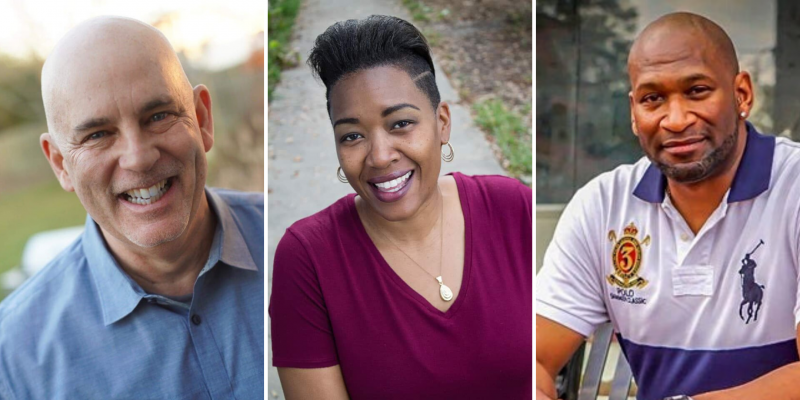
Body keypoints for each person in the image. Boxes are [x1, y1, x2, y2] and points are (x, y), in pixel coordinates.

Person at [537, 12, 800, 400]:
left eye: (696, 91)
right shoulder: (602, 206)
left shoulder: (793, 189)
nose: (675, 120)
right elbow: (533, 360)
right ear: (633, 112)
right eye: (653, 99)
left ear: (742, 93)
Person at [269, 15, 532, 399]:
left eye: (400, 124)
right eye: (353, 135)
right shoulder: (308, 258)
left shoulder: (513, 209)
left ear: (442, 123)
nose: (379, 156)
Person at [0, 17, 264, 399]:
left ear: (202, 119)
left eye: (158, 116)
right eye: (97, 135)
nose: (138, 158)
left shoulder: (287, 243)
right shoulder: (14, 362)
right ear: (60, 163)